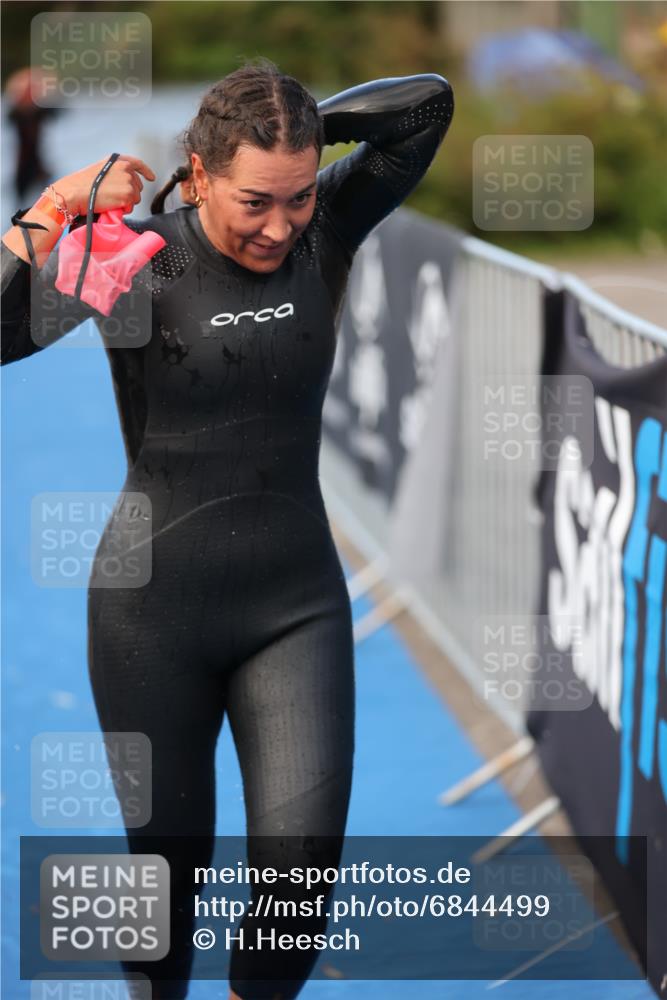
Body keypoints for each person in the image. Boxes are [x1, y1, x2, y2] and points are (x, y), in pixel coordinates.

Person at [1, 57, 454, 1000]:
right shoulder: (134, 256)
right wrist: (52, 211)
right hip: (150, 614)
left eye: (297, 197)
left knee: (299, 877)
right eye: (254, 200)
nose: (279, 226)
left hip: (293, 607)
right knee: (166, 880)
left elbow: (424, 106)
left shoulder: (326, 228)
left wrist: (298, 132)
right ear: (199, 175)